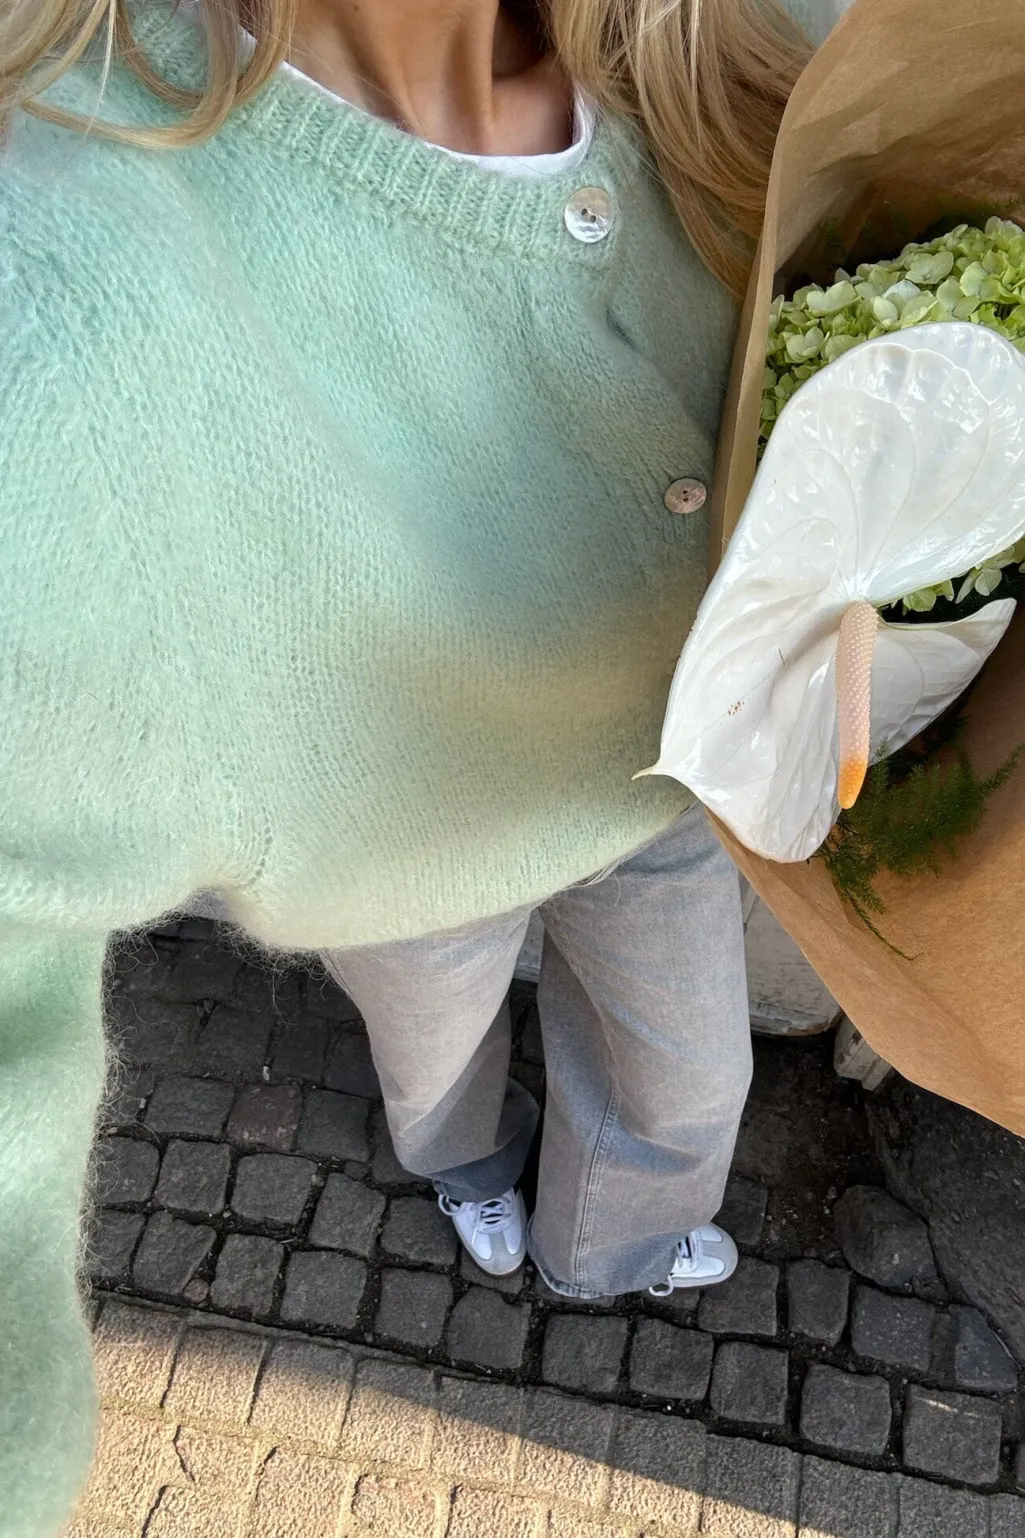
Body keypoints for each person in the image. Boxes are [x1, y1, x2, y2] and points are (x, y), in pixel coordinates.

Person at [0, 0, 847, 1531]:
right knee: (437, 1054)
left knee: (691, 1068)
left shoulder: (748, 43)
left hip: (669, 787)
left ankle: (609, 1246)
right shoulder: (67, 272)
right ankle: (465, 1167)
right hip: (409, 861)